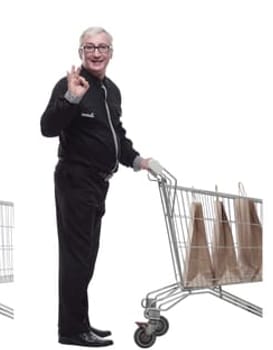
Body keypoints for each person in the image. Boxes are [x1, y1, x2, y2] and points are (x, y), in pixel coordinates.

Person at [39, 26, 164, 348]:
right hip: (75, 179)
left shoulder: (111, 90)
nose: (96, 53)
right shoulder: (71, 84)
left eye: (103, 48)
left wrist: (138, 160)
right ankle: (70, 330)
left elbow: (116, 135)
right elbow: (47, 127)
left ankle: (79, 322)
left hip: (98, 183)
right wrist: (71, 98)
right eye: (89, 47)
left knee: (87, 256)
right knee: (76, 257)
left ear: (111, 52)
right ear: (80, 52)